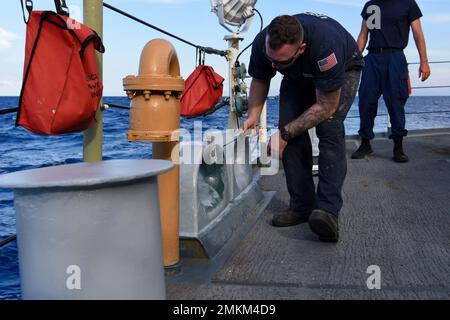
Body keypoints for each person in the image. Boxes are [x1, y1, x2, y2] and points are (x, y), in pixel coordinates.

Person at [243, 14, 364, 242]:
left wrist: (285, 134)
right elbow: (261, 77)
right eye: (271, 59)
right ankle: (301, 207)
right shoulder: (264, 42)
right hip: (297, 75)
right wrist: (253, 115)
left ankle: (327, 212)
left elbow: (327, 106)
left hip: (344, 67)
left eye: (279, 63)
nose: (273, 66)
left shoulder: (326, 46)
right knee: (289, 128)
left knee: (329, 128)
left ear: (301, 48)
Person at [352, 0, 431, 162]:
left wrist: (424, 61)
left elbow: (418, 34)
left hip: (395, 57)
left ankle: (398, 147)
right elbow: (363, 35)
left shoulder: (408, 4)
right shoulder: (370, 5)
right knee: (366, 102)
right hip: (372, 58)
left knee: (396, 102)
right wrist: (354, 58)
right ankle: (365, 143)